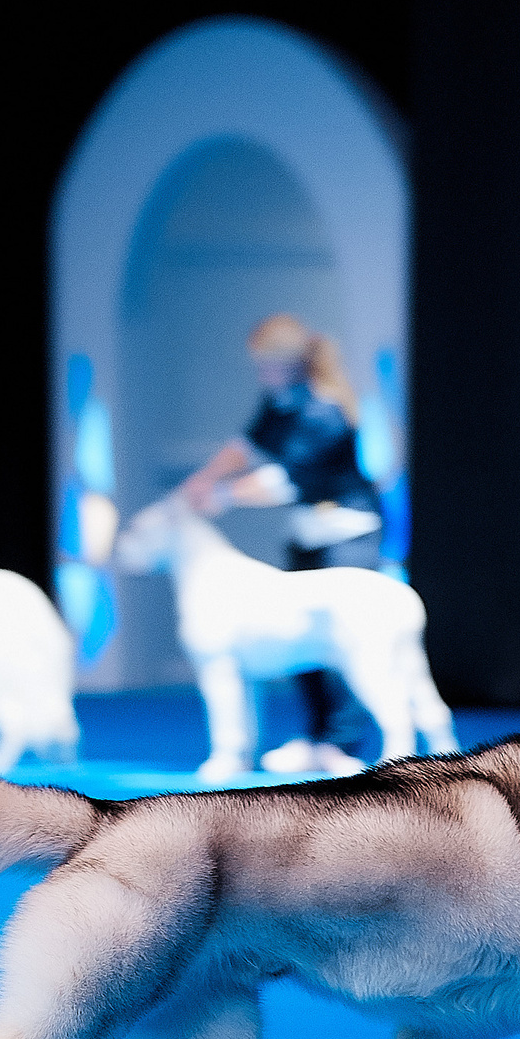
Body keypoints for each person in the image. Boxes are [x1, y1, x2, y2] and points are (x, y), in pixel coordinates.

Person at [179, 314, 384, 772]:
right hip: (308, 535)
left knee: (341, 640)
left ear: (290, 363)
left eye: (265, 365)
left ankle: (343, 743)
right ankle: (316, 737)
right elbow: (248, 444)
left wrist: (223, 495)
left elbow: (284, 480)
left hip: (347, 537)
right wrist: (204, 477)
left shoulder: (325, 410)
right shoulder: (281, 402)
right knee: (300, 639)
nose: (260, 374)